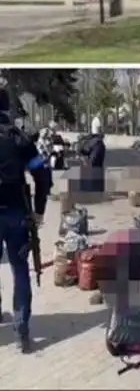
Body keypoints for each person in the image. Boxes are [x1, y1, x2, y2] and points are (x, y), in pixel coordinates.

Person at [0, 100, 51, 353]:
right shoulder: (20, 139)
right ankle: (21, 331)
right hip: (18, 215)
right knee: (20, 270)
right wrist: (39, 210)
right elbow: (42, 175)